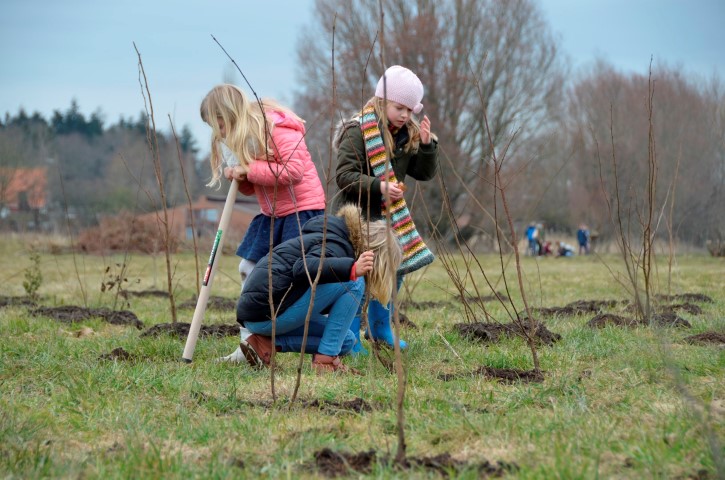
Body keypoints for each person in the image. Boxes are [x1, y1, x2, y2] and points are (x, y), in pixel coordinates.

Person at [200, 84, 326, 362]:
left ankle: (329, 338)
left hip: (301, 215)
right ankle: (249, 347)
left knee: (295, 283)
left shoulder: (278, 128)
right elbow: (260, 184)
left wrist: (250, 169)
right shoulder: (250, 137)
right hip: (273, 216)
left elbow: (293, 172)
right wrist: (243, 179)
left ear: (229, 114)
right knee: (249, 268)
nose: (217, 132)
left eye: (217, 122)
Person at [335, 65, 439, 354]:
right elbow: (344, 175)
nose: (405, 115)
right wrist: (379, 186)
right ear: (382, 101)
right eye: (399, 107)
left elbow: (423, 173)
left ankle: (380, 328)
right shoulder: (358, 131)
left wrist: (428, 146)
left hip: (389, 218)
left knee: (396, 268)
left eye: (410, 109)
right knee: (359, 276)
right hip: (357, 218)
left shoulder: (407, 133)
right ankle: (350, 333)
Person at [236, 204, 402, 373]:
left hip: (263, 315)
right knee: (354, 282)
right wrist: (351, 268)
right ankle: (326, 361)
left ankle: (263, 344)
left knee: (345, 341)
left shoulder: (331, 237)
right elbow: (303, 267)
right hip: (267, 311)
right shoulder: (335, 244)